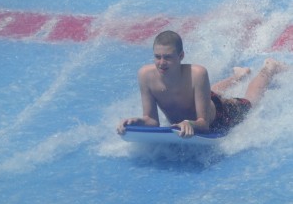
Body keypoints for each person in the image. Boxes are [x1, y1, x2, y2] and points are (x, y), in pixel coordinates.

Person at [117, 30, 287, 138]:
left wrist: (190, 124)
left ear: (181, 56)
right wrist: (136, 121)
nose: (161, 62)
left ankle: (270, 68)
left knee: (250, 103)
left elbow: (203, 124)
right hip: (202, 102)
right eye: (157, 56)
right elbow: (152, 121)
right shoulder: (145, 75)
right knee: (207, 92)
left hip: (218, 115)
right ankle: (239, 75)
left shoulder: (197, 73)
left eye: (168, 57)